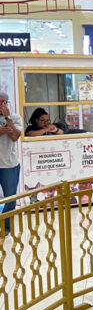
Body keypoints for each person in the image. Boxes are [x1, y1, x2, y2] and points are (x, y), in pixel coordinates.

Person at [0, 91, 22, 231]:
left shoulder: (14, 117)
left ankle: (6, 226)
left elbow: (15, 136)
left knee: (10, 198)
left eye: (2, 103)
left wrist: (7, 117)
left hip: (9, 164)